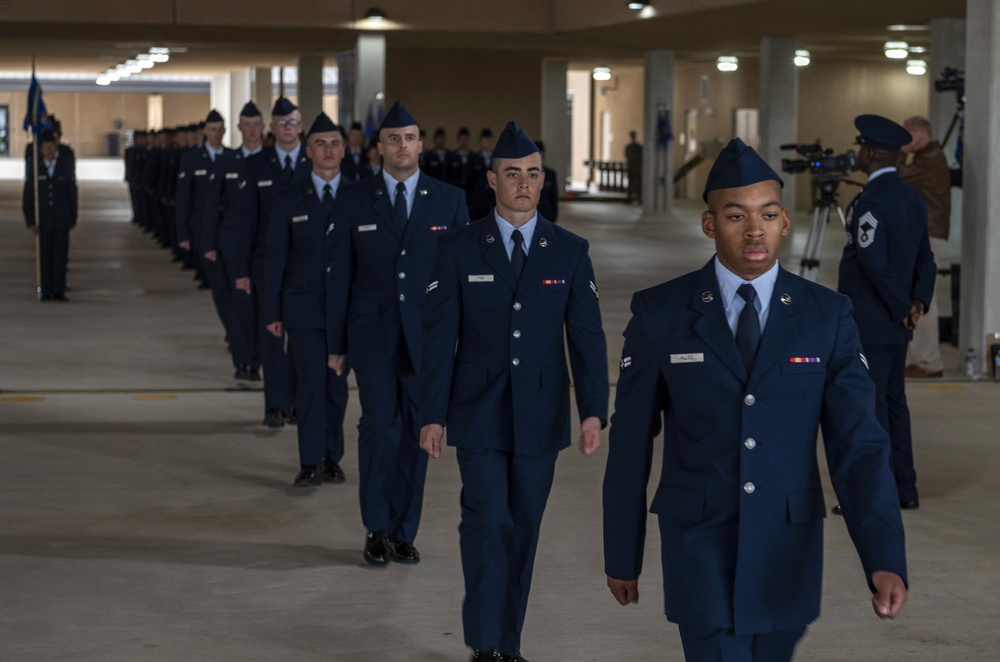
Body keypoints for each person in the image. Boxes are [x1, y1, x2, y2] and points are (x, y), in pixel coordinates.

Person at [603, 137, 909, 662]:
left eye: (768, 215)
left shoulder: (826, 316)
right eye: (735, 215)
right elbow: (630, 444)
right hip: (697, 545)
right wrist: (622, 552)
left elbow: (859, 444)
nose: (754, 231)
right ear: (708, 224)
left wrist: (883, 556)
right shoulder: (661, 314)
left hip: (785, 553)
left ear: (785, 222)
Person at [419, 121, 608, 662]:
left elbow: (587, 337)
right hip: (476, 412)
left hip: (541, 414)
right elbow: (438, 340)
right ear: (492, 180)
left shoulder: (569, 251)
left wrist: (594, 411)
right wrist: (432, 413)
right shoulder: (458, 248)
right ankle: (484, 645)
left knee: (522, 531)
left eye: (531, 174)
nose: (523, 184)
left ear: (543, 180)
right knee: (488, 523)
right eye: (511, 174)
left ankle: (510, 645)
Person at [325, 101, 470, 567]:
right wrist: (336, 344)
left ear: (421, 144)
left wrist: (466, 342)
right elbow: (339, 276)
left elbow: (461, 279)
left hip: (427, 341)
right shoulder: (352, 199)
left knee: (417, 434)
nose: (402, 145)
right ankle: (377, 527)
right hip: (373, 337)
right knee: (380, 428)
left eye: (409, 137)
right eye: (393, 138)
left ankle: (405, 532)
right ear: (378, 147)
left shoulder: (449, 200)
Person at [837, 114, 935, 511]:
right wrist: (917, 304)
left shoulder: (873, 201)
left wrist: (899, 308)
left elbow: (875, 264)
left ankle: (874, 495)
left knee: (869, 410)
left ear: (873, 153)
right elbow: (924, 259)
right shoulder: (911, 196)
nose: (858, 153)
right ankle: (902, 488)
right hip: (897, 324)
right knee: (895, 405)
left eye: (862, 147)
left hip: (873, 323)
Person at [264, 112, 351, 488]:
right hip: (304, 309)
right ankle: (311, 460)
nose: (328, 150)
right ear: (308, 150)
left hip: (347, 312)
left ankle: (333, 457)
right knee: (311, 384)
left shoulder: (360, 197)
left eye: (334, 144)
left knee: (336, 386)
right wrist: (271, 311)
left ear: (344, 150)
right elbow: (274, 259)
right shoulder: (288, 199)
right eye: (320, 144)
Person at [242, 97, 309, 428]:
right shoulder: (258, 166)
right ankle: (275, 404)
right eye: (280, 123)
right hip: (266, 266)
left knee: (301, 337)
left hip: (303, 268)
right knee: (271, 333)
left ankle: (297, 402)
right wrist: (241, 270)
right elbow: (246, 222)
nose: (287, 128)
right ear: (272, 128)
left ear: (300, 127)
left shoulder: (315, 165)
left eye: (292, 122)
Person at [204, 101, 265, 382]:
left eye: (256, 125)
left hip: (266, 249)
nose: (251, 131)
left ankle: (258, 360)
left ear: (262, 127)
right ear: (239, 128)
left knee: (263, 308)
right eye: (247, 125)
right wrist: (210, 244)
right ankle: (243, 362)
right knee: (240, 307)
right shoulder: (228, 162)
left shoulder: (271, 162)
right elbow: (212, 204)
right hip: (234, 247)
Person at [898, 115, 951, 379]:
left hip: (929, 235)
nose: (902, 140)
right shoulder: (927, 158)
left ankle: (929, 361)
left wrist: (899, 150)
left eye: (906, 135)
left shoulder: (929, 160)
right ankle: (920, 358)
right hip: (925, 234)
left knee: (924, 296)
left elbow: (894, 176)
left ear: (920, 135)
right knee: (918, 294)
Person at [176, 109, 236, 334]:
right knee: (219, 287)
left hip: (230, 232)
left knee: (235, 286)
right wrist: (182, 233)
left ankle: (237, 331)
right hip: (204, 233)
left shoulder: (232, 158)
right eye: (212, 129)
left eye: (220, 129)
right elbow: (184, 198)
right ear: (204, 131)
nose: (217, 133)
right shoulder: (191, 160)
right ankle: (232, 331)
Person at [24, 129, 77, 301]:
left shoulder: (64, 167)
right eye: (45, 147)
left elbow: (72, 193)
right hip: (43, 221)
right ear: (40, 149)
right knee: (45, 256)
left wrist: (72, 217)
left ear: (56, 147)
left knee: (60, 256)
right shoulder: (36, 168)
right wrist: (31, 220)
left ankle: (59, 290)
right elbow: (28, 197)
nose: (49, 151)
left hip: (61, 220)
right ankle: (46, 290)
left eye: (51, 147)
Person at [534, 140, 559, 223]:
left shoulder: (551, 174)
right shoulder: (526, 174)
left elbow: (554, 198)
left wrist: (553, 217)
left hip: (546, 214)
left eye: (542, 155)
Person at [625, 130, 643, 204]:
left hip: (636, 167)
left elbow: (641, 156)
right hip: (631, 167)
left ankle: (639, 198)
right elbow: (627, 156)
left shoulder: (638, 147)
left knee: (638, 184)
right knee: (631, 183)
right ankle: (630, 198)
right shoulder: (629, 147)